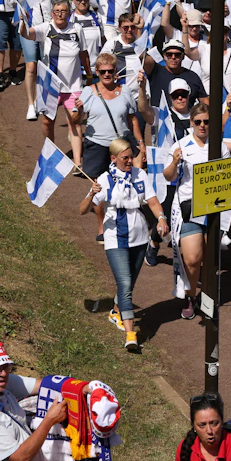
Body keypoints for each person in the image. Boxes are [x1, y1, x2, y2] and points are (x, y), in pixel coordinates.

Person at [79, 138, 169, 351]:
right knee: (126, 284)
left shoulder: (140, 175)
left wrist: (162, 218)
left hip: (139, 235)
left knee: (129, 282)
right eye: (125, 158)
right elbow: (82, 210)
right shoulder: (105, 179)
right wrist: (92, 193)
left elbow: (153, 201)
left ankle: (116, 311)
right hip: (115, 238)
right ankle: (130, 334)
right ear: (114, 158)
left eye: (131, 157)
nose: (129, 161)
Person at [163, 102, 231, 320]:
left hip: (214, 206)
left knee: (208, 257)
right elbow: (168, 177)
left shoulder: (219, 147)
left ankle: (205, 294)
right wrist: (174, 162)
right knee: (193, 258)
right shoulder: (181, 146)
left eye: (206, 122)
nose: (202, 126)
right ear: (191, 123)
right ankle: (190, 295)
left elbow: (229, 175)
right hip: (189, 206)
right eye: (198, 122)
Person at [19, 0, 91, 165]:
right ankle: (50, 152)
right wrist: (23, 22)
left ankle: (77, 162)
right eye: (57, 11)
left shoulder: (77, 29)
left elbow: (83, 53)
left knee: (75, 120)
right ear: (52, 13)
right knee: (47, 121)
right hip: (50, 85)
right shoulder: (46, 27)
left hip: (73, 85)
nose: (60, 14)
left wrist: (89, 75)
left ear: (69, 13)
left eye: (63, 11)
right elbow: (26, 34)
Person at [75, 52, 142, 180]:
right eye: (102, 71)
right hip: (96, 146)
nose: (106, 74)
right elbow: (75, 121)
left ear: (115, 71)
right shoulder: (88, 91)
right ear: (97, 72)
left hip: (120, 146)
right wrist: (79, 111)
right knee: (98, 186)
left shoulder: (125, 90)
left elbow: (132, 119)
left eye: (110, 71)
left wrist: (140, 143)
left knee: (123, 182)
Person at [145, 36, 209, 109]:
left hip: (186, 119)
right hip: (161, 119)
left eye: (177, 55)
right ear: (164, 56)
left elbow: (204, 101)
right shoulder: (155, 72)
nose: (173, 57)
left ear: (183, 56)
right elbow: (143, 57)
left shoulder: (193, 76)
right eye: (169, 55)